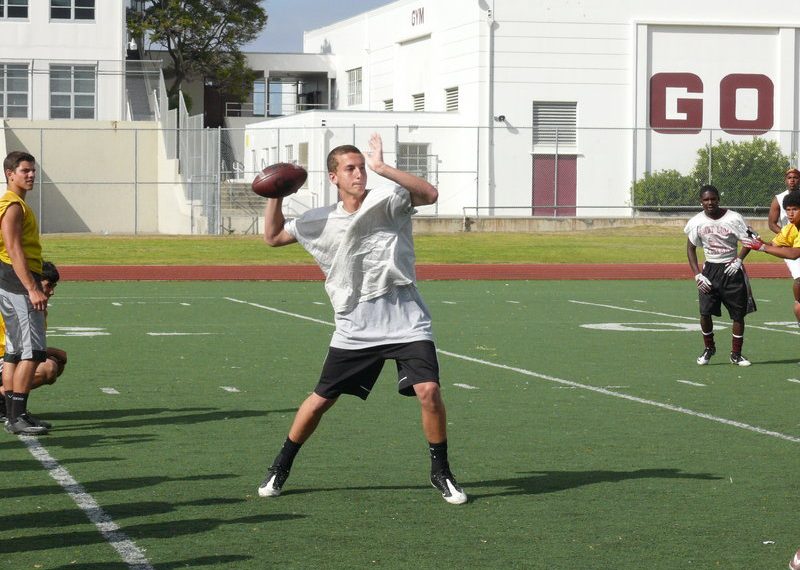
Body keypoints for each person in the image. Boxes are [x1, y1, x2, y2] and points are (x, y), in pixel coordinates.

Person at [257, 133, 467, 505]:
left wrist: (383, 167)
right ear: (333, 177)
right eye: (350, 168)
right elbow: (272, 238)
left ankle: (442, 472)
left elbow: (430, 195)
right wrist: (277, 193)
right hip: (355, 325)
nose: (359, 174)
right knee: (321, 400)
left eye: (361, 167)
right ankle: (280, 466)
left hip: (406, 318)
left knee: (429, 391)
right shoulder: (316, 220)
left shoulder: (390, 202)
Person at [0, 151, 49, 435]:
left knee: (16, 352)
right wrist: (32, 287)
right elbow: (14, 248)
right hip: (18, 283)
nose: (31, 175)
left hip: (10, 280)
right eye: (25, 171)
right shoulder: (13, 205)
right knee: (31, 351)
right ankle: (16, 416)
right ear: (10, 174)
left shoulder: (14, 204)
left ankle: (16, 414)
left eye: (32, 171)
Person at [684, 184, 755, 367]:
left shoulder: (733, 218)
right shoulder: (696, 222)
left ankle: (736, 354)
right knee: (705, 312)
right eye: (706, 199)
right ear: (701, 201)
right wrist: (697, 275)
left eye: (713, 199)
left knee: (738, 315)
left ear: (718, 199)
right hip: (710, 271)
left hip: (731, 269)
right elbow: (690, 248)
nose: (710, 202)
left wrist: (738, 260)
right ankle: (709, 348)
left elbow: (750, 240)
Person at [0, 261, 67, 426]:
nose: (52, 292)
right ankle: (10, 406)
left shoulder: (38, 308)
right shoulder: (19, 304)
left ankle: (10, 407)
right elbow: (13, 349)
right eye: (48, 285)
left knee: (55, 362)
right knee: (48, 367)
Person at [742, 191, 800, 320]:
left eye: (795, 209)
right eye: (788, 210)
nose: (790, 213)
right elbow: (773, 246)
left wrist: (762, 247)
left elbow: (795, 253)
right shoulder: (791, 228)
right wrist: (758, 241)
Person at [767, 167, 800, 321]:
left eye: (795, 177)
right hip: (790, 244)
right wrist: (785, 236)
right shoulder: (779, 199)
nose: (792, 180)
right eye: (789, 177)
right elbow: (772, 223)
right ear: (785, 180)